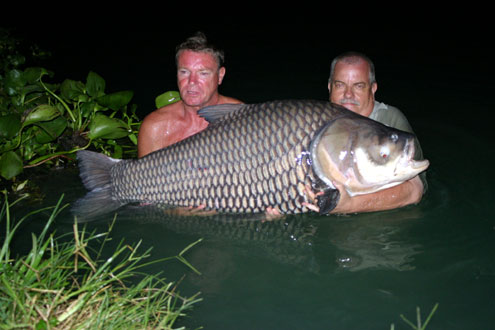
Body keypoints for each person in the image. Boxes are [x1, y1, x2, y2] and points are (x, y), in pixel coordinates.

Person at [325, 51, 427, 214]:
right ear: (330, 87)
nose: (348, 94)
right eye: (340, 85)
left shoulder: (389, 120)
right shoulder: (314, 123)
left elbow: (414, 191)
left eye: (358, 86)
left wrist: (351, 205)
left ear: (373, 89)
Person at [137, 32, 242, 158]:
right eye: (184, 72)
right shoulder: (155, 127)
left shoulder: (241, 118)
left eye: (203, 73)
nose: (192, 81)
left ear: (220, 75)